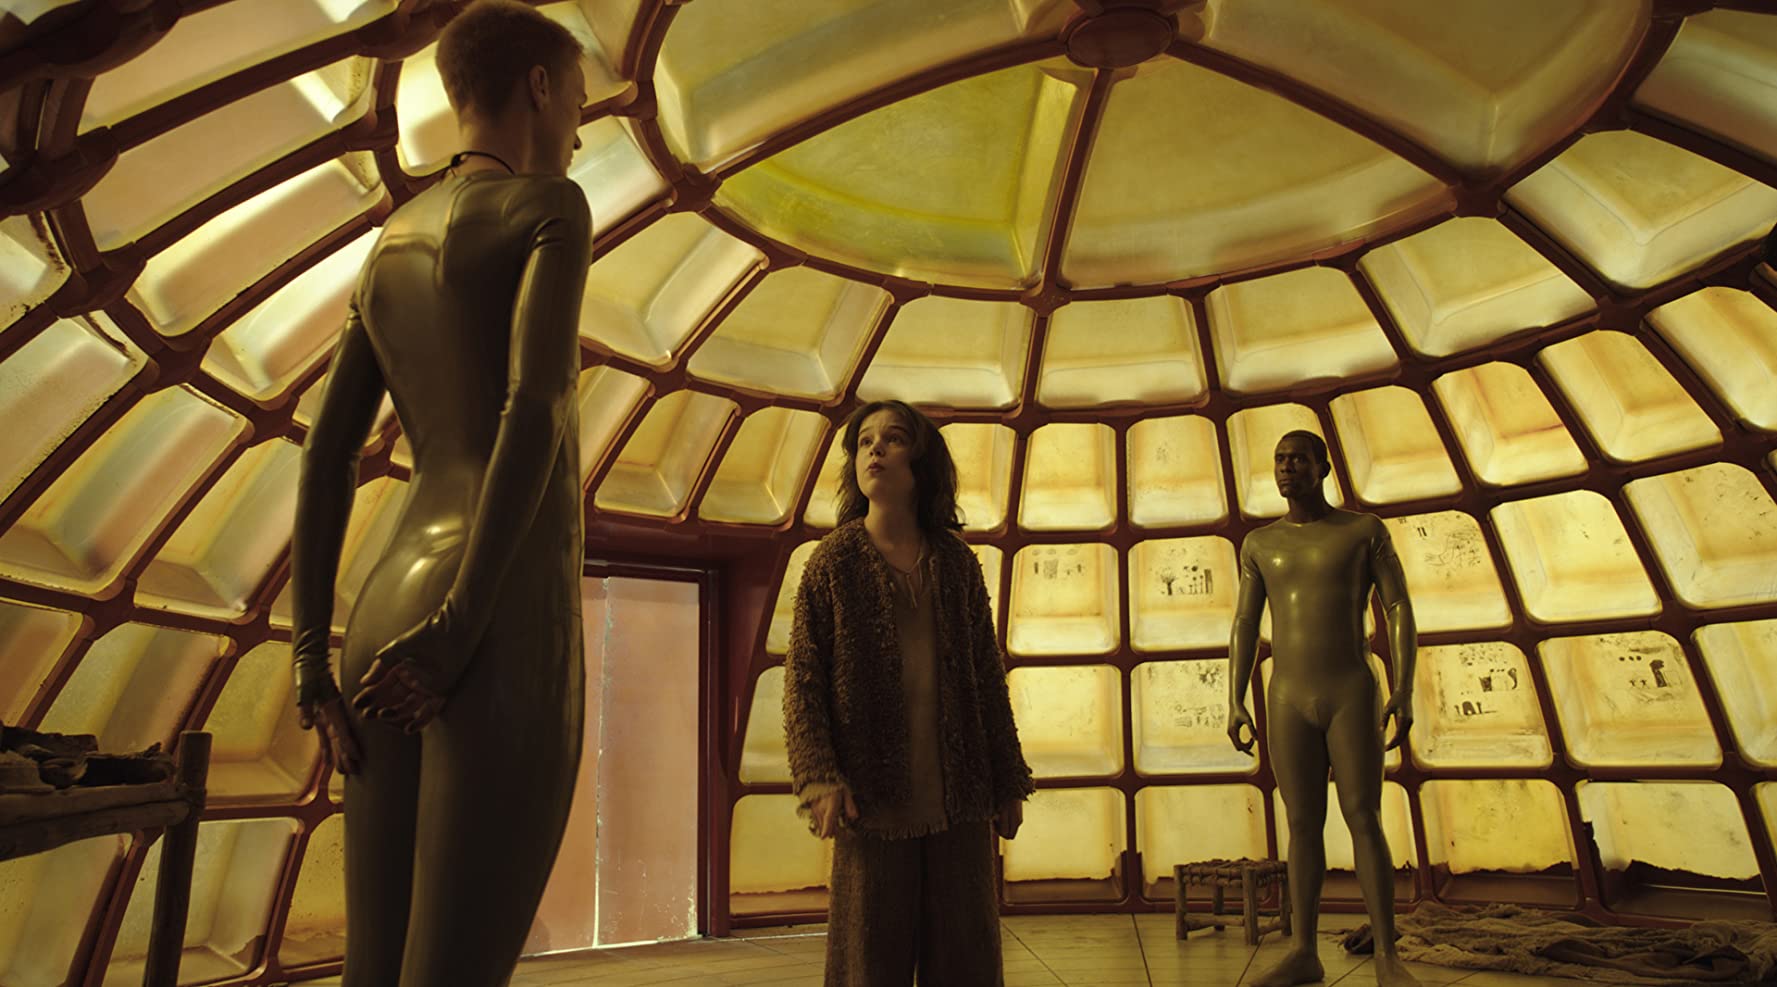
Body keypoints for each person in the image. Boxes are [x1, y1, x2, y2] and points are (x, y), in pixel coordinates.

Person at [288, 2, 591, 984]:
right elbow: (534, 407)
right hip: (493, 608)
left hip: (384, 602)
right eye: (577, 100)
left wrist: (309, 656)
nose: (579, 130)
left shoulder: (389, 245)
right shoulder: (548, 208)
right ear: (538, 87)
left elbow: (326, 454)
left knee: (373, 965)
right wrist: (460, 629)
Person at [784, 399, 1035, 987]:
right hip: (873, 804)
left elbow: (986, 677)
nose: (875, 448)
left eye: (893, 438)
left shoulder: (956, 563)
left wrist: (1007, 779)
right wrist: (819, 776)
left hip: (960, 802)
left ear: (922, 461)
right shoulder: (832, 562)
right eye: (864, 441)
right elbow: (804, 681)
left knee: (967, 963)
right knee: (869, 966)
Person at [1226, 431, 1421, 987]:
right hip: (1287, 694)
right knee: (1301, 823)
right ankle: (1303, 951)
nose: (1286, 468)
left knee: (1364, 816)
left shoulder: (1363, 532)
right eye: (1279, 459)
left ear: (1323, 468)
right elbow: (1245, 622)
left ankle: (1386, 955)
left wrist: (1404, 688)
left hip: (1351, 690)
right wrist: (1234, 697)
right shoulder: (1260, 544)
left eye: (1298, 459)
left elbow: (1397, 606)